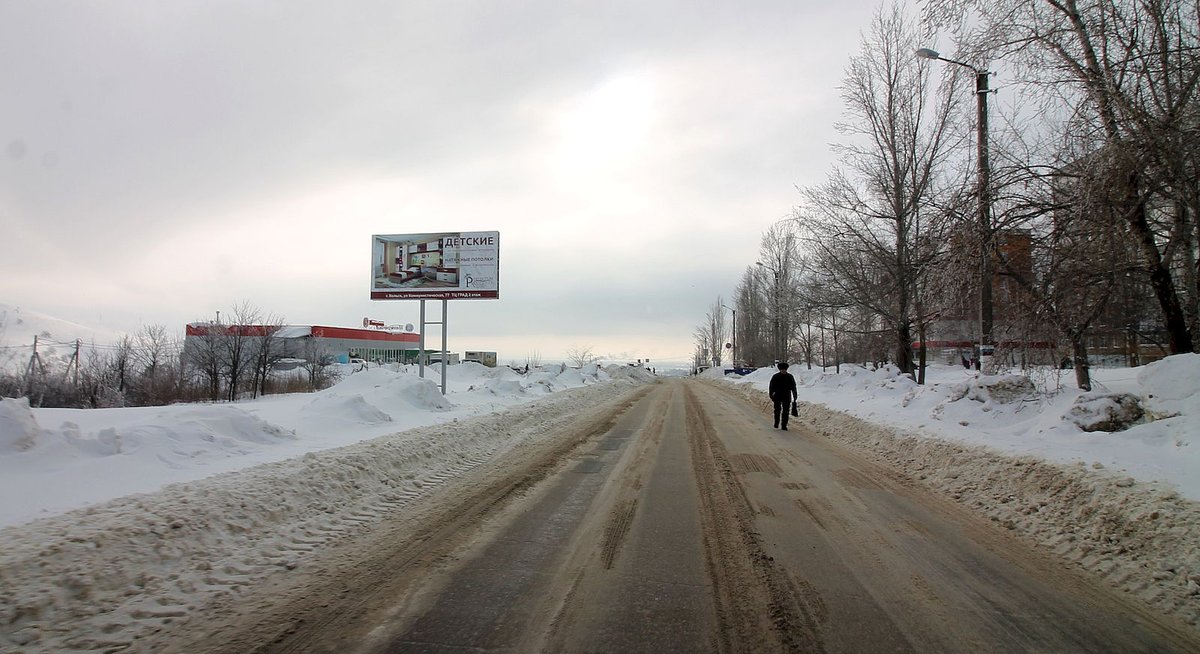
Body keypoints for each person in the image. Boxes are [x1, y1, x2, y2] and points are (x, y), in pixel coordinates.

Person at [768, 362, 798, 430]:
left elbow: (793, 386)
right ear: (779, 369)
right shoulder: (775, 376)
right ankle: (776, 423)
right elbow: (771, 387)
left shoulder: (790, 377)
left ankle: (784, 425)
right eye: (782, 369)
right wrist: (771, 395)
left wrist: (795, 395)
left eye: (784, 369)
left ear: (786, 369)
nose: (783, 370)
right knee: (777, 410)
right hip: (777, 396)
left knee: (786, 411)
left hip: (787, 395)